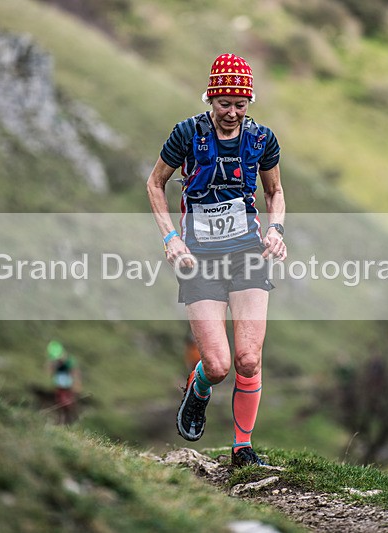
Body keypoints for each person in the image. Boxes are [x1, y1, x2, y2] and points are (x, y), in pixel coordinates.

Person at [146, 53, 287, 468]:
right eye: (223, 103)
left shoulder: (262, 140)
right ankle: (199, 387)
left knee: (249, 358)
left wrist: (276, 230)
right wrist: (170, 237)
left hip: (247, 253)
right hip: (199, 259)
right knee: (220, 364)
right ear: (211, 98)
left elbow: (275, 192)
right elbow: (156, 184)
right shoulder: (187, 134)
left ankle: (242, 447)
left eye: (239, 105)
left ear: (249, 102)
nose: (231, 113)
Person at [46, 340, 81, 425]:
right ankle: (62, 421)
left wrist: (76, 383)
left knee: (67, 403)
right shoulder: (55, 362)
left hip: (68, 386)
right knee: (60, 402)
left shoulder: (68, 361)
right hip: (59, 386)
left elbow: (75, 372)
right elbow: (49, 370)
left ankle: (70, 421)